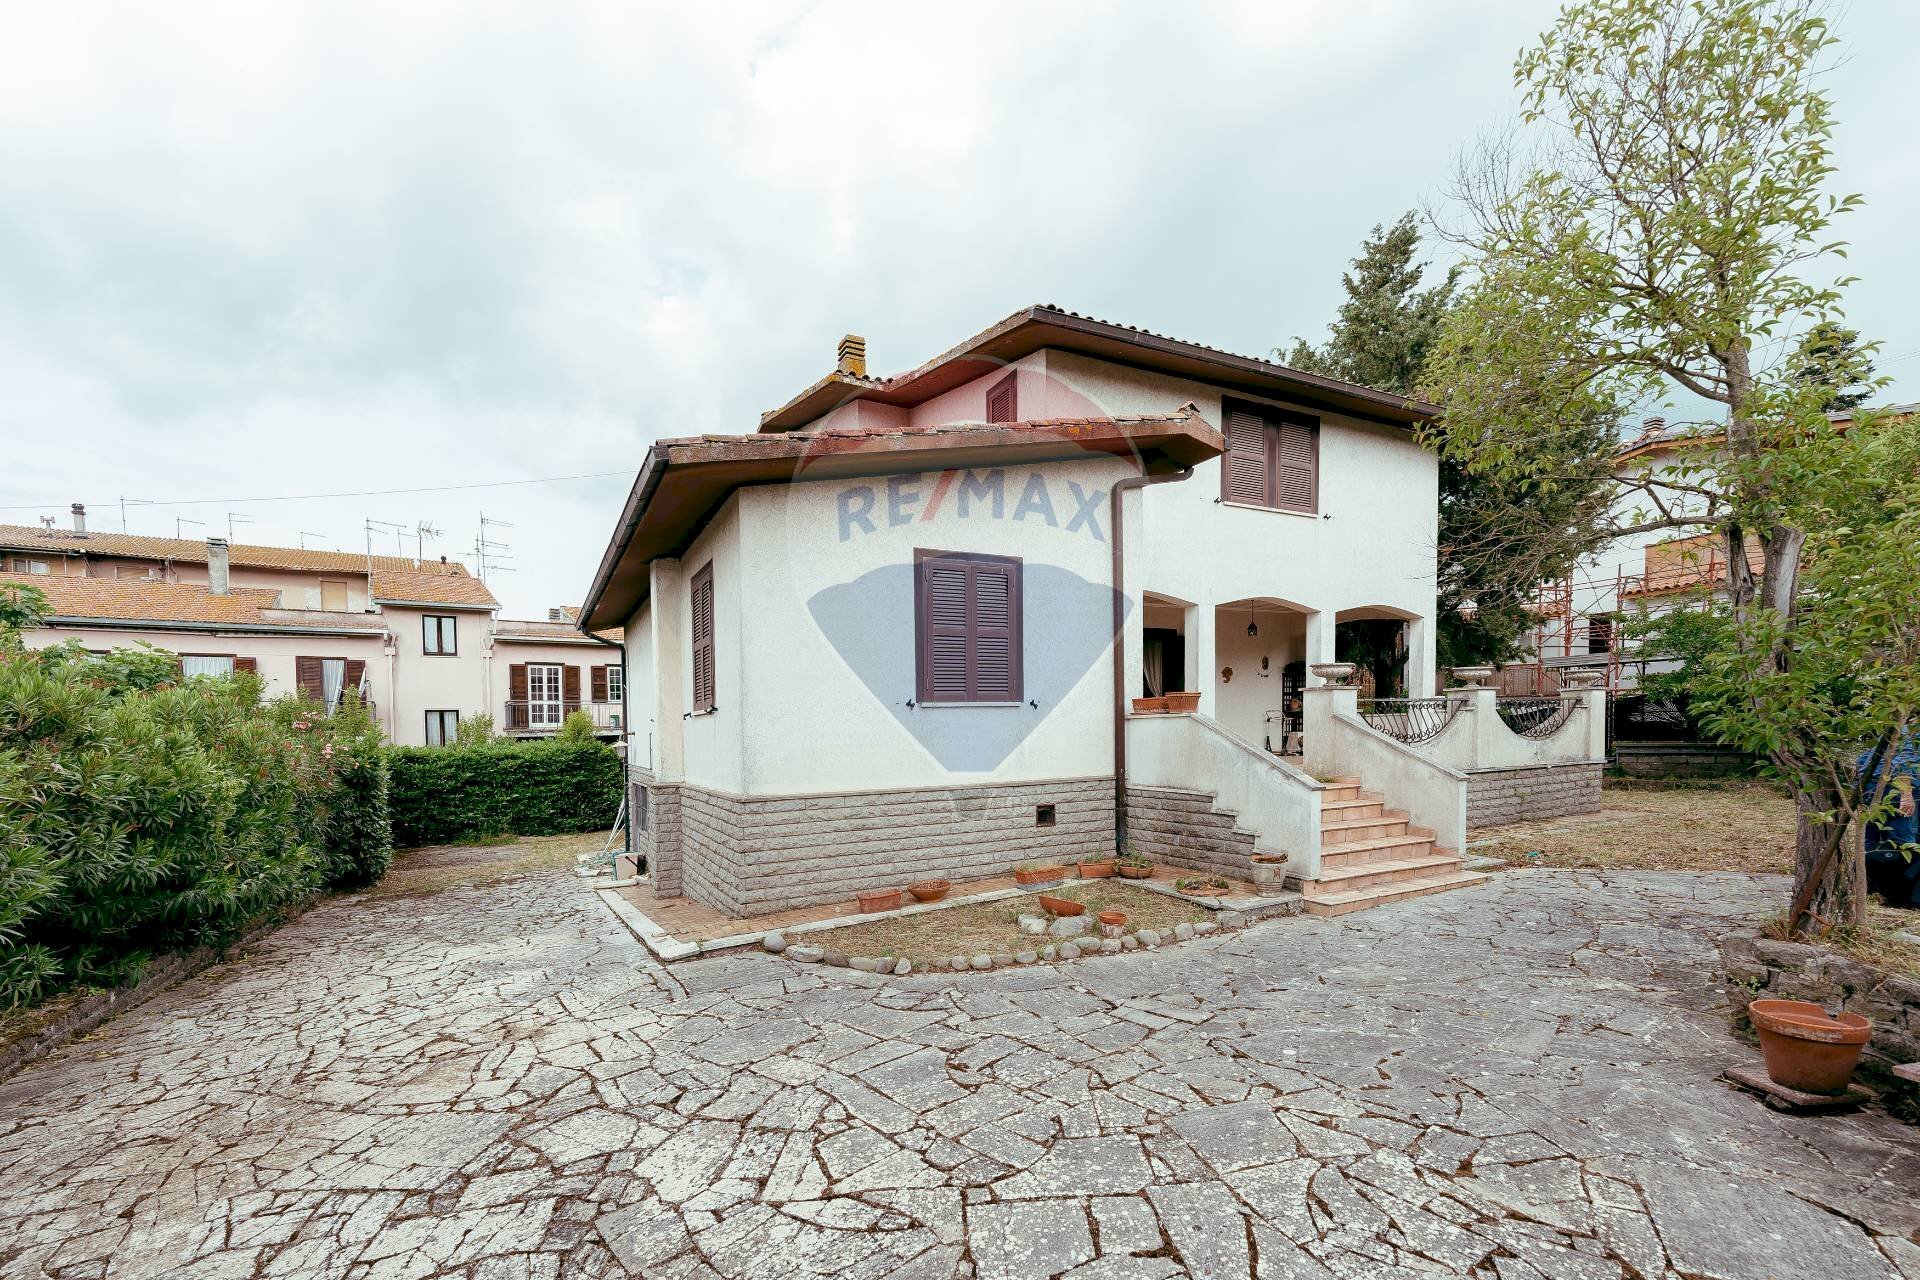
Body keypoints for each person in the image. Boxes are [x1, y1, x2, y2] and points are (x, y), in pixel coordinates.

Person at [1860, 735, 1920, 909]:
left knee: (1870, 842)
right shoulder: (1910, 733)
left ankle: (1868, 886)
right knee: (1903, 844)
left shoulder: (1891, 731)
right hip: (1894, 790)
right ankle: (1899, 896)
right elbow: (1904, 761)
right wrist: (1906, 794)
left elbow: (1863, 761)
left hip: (1872, 788)